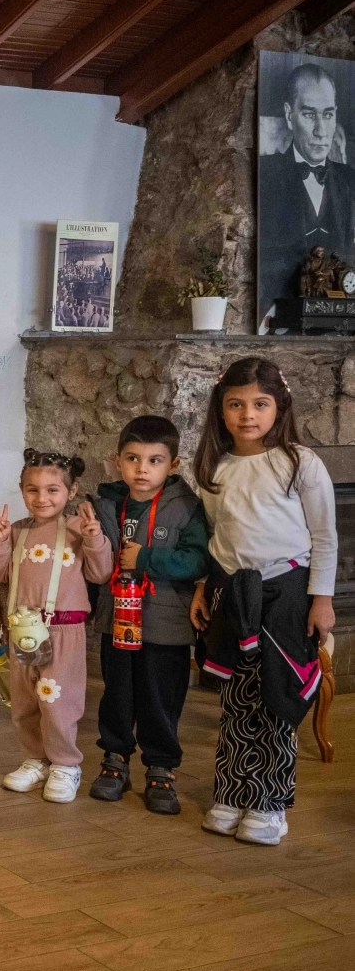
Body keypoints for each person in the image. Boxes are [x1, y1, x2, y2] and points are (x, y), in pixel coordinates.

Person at [192, 357, 337, 846]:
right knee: (237, 698)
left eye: (260, 404)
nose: (247, 414)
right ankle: (232, 793)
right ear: (221, 409)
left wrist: (321, 600)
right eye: (235, 404)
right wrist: (202, 586)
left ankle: (269, 804)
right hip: (233, 596)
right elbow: (215, 535)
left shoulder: (300, 463)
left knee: (276, 698)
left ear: (280, 406)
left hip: (286, 595)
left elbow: (325, 536)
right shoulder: (214, 467)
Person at [87, 416, 209, 815]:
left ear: (173, 465)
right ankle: (115, 759)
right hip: (117, 619)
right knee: (117, 694)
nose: (142, 469)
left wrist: (146, 558)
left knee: (161, 699)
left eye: (155, 460)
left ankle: (160, 768)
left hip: (166, 624)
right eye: (133, 458)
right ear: (117, 461)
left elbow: (198, 559)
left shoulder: (188, 507)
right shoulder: (105, 504)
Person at [0, 450, 114, 803]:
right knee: (25, 699)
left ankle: (65, 764)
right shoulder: (17, 531)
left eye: (52, 490)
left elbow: (101, 573)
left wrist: (94, 538)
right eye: (33, 489)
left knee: (58, 700)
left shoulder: (77, 530)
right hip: (24, 629)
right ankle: (35, 759)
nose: (42, 498)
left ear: (70, 492)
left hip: (64, 631)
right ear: (22, 490)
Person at [258, 62, 355, 325]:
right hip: (276, 320)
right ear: (289, 115)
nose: (321, 131)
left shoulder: (351, 180)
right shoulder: (264, 175)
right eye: (310, 114)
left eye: (328, 115)